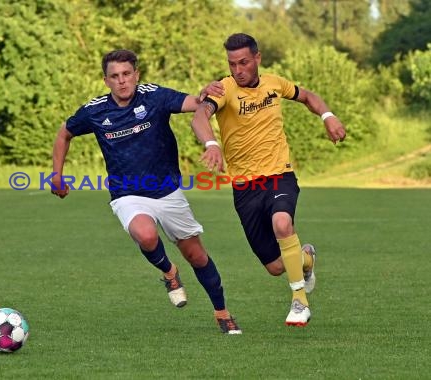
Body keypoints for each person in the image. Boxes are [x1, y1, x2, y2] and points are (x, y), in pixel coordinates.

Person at [51, 49, 241, 334]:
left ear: (136, 75)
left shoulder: (154, 96)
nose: (122, 81)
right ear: (106, 81)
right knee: (146, 234)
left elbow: (192, 103)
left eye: (127, 74)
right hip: (126, 193)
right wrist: (57, 174)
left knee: (197, 257)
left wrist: (204, 94)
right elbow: (64, 132)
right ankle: (169, 272)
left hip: (167, 191)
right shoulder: (95, 110)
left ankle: (222, 313)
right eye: (114, 76)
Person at [191, 33, 347, 327]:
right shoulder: (223, 89)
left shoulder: (275, 83)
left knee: (282, 223)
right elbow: (200, 116)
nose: (238, 70)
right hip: (245, 188)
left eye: (244, 62)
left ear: (257, 58)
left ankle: (300, 302)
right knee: (276, 267)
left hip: (279, 175)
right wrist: (211, 144)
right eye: (232, 64)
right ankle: (306, 260)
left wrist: (328, 115)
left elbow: (309, 96)